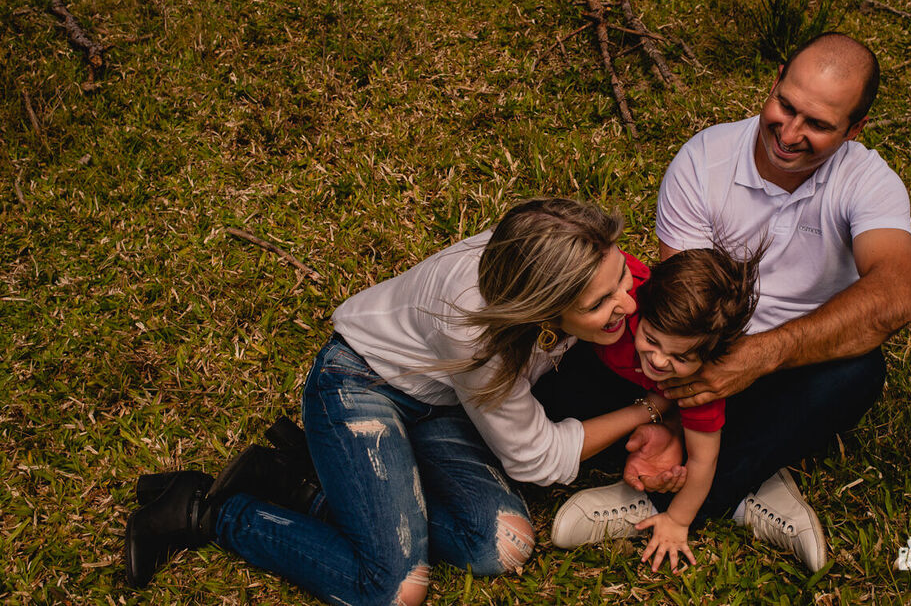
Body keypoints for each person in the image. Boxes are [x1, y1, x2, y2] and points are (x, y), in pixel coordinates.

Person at [125, 198, 672, 606]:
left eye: (621, 275)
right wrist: (651, 408)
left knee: (501, 546)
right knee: (392, 590)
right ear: (539, 310)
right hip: (360, 385)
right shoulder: (478, 332)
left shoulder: (555, 252)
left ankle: (299, 483)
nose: (628, 302)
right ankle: (211, 511)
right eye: (600, 303)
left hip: (443, 403)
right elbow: (537, 458)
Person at [540, 32, 911, 572]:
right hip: (685, 353)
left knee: (858, 373)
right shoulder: (705, 160)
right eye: (785, 106)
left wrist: (762, 356)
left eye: (817, 124)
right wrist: (678, 414)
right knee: (560, 387)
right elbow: (683, 310)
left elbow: (897, 296)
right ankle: (753, 473)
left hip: (789, 365)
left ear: (854, 129)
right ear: (776, 80)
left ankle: (657, 503)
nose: (790, 133)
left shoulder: (868, 182)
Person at [551, 247, 759, 575]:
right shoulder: (622, 297)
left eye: (681, 357)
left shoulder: (699, 388)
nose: (659, 361)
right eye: (651, 339)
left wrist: (677, 520)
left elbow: (703, 460)